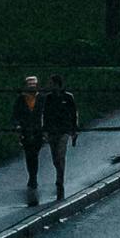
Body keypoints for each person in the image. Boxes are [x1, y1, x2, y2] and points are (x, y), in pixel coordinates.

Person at [40, 70, 82, 201]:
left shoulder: (68, 97)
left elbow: (74, 113)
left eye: (52, 83)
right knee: (54, 157)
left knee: (60, 154)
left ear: (57, 84)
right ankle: (59, 172)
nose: (50, 85)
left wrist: (74, 130)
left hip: (64, 130)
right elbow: (45, 114)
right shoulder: (48, 98)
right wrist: (44, 130)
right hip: (52, 130)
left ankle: (60, 179)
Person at [13, 70, 48, 201]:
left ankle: (33, 177)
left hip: (38, 131)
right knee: (29, 155)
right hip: (26, 131)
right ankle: (32, 176)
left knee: (34, 154)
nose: (32, 88)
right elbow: (15, 115)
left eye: (34, 86)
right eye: (30, 86)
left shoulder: (42, 98)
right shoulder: (21, 99)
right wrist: (17, 125)